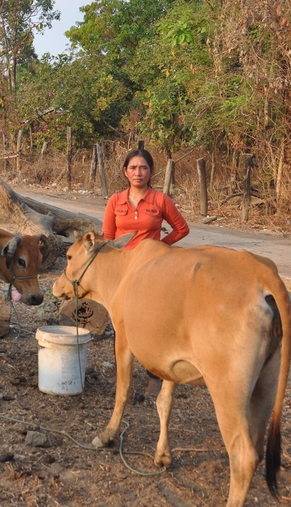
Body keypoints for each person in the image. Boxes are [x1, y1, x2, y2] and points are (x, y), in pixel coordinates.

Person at [102, 148, 190, 396]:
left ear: (151, 172)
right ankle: (123, 376)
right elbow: (108, 238)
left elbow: (182, 229)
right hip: (122, 270)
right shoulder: (115, 201)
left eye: (143, 168)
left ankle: (156, 377)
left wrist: (160, 248)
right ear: (125, 171)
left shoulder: (160, 200)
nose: (138, 172)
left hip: (151, 272)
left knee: (152, 323)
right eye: (133, 168)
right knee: (121, 324)